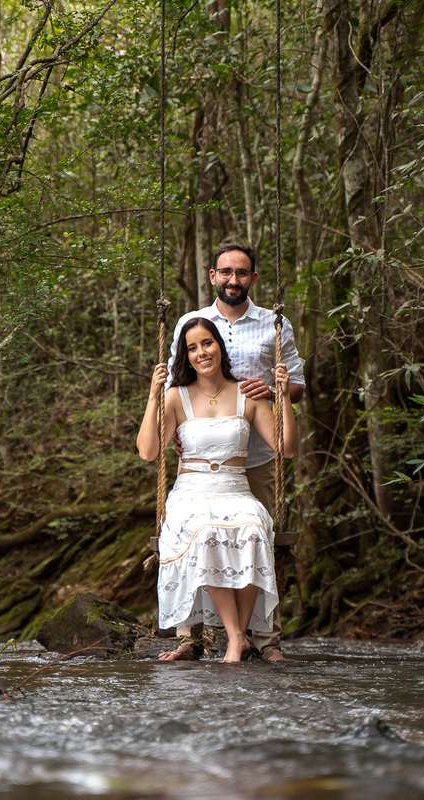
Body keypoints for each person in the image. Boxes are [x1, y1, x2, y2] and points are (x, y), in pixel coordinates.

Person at [159, 242, 306, 662]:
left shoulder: (275, 325)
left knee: (254, 537)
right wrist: (175, 426)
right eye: (226, 272)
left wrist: (275, 392)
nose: (233, 280)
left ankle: (264, 639)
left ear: (253, 279)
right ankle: (193, 637)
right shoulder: (193, 323)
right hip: (202, 455)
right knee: (199, 532)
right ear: (213, 276)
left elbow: (296, 384)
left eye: (242, 273)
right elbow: (177, 380)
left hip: (254, 456)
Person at [137, 317, 297, 663]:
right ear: (185, 355)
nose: (200, 353)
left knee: (255, 528)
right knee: (205, 530)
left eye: (206, 344)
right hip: (191, 493)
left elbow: (287, 448)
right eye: (191, 348)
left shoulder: (248, 394)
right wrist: (153, 397)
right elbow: (148, 452)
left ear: (220, 348)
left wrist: (281, 395)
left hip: (236, 490)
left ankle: (236, 640)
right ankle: (237, 638)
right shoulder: (176, 397)